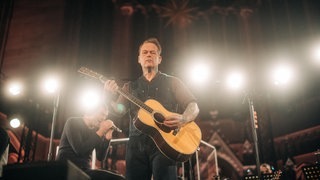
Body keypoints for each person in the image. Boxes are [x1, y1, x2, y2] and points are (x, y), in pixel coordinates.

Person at [104, 37, 200, 180]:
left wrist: (184, 118)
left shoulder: (172, 82)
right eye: (145, 52)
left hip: (166, 145)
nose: (148, 55)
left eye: (153, 52)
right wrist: (108, 96)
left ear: (159, 59)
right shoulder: (129, 87)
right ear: (139, 59)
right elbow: (118, 111)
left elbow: (193, 106)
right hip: (136, 147)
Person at [56, 105, 125, 180]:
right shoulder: (72, 122)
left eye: (105, 116)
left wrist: (107, 138)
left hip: (84, 171)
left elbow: (100, 157)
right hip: (67, 169)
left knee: (119, 178)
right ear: (91, 112)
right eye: (101, 114)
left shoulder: (97, 131)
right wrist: (101, 131)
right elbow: (80, 150)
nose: (103, 118)